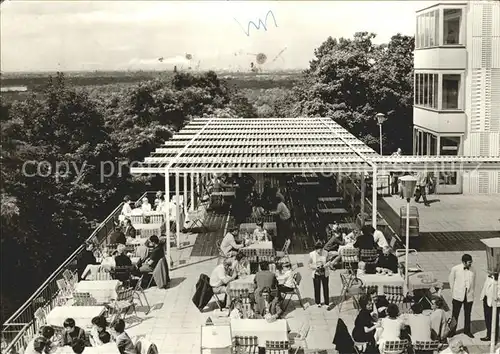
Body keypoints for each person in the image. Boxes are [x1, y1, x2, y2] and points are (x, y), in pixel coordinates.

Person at [448, 254, 475, 338]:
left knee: (468, 314)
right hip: (458, 295)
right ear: (464, 262)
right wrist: (454, 292)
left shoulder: (474, 270)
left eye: (471, 262)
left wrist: (471, 292)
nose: (470, 264)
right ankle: (452, 331)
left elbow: (474, 282)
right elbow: (451, 281)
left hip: (468, 295)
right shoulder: (455, 269)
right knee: (455, 314)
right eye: (469, 262)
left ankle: (467, 330)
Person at [308, 240, 332, 308]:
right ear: (315, 249)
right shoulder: (311, 254)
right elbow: (309, 264)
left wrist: (325, 265)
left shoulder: (326, 253)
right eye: (318, 250)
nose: (319, 251)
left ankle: (327, 302)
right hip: (316, 273)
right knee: (317, 288)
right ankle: (318, 302)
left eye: (321, 250)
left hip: (324, 272)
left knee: (325, 288)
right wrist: (315, 267)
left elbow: (329, 261)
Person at [480, 271, 500, 342]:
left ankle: (494, 338)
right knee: (487, 318)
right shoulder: (489, 275)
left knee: (495, 320)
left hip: (494, 302)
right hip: (486, 299)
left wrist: (497, 297)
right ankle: (489, 335)